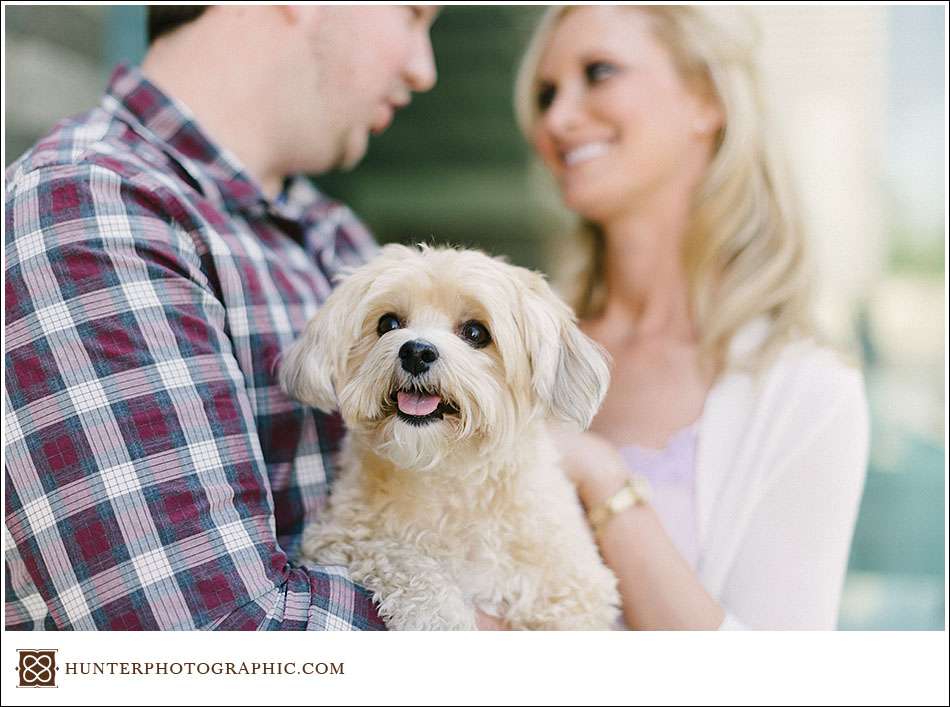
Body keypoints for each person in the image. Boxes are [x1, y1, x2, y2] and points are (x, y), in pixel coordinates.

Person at [4, 5, 440, 630]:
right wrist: (509, 631)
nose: (423, 69)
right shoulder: (91, 206)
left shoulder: (333, 235)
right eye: (415, 13)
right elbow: (212, 640)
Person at [514, 6, 869, 629]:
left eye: (598, 72)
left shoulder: (805, 392)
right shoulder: (511, 347)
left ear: (706, 99)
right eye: (546, 94)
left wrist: (602, 477)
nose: (557, 118)